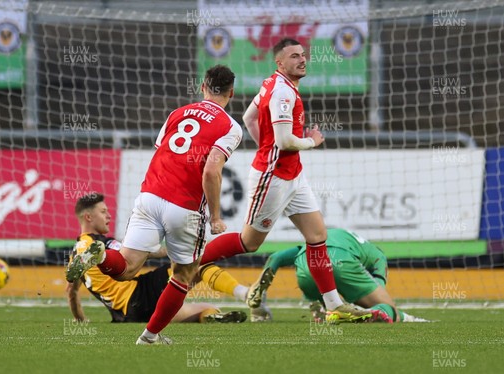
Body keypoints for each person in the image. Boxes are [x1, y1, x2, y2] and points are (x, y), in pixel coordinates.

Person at [196, 38, 372, 323]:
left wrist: (265, 145)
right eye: (293, 56)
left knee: (317, 237)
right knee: (249, 242)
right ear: (280, 62)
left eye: (303, 55)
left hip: (293, 176)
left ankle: (334, 305)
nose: (302, 60)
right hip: (273, 177)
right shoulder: (282, 93)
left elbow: (249, 116)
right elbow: (284, 140)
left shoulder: (273, 84)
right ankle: (193, 260)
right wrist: (311, 141)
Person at [66, 65, 243, 344]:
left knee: (125, 267)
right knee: (184, 274)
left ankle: (98, 255)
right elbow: (211, 171)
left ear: (202, 88)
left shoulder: (177, 113)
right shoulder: (230, 127)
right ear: (232, 92)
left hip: (149, 195)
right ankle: (149, 337)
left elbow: (162, 149)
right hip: (183, 206)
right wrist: (216, 216)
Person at [66, 193, 247, 324]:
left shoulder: (75, 255)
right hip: (140, 292)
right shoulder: (101, 243)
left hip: (129, 315)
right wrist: (178, 251)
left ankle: (208, 316)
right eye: (103, 211)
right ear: (88, 217)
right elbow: (135, 255)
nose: (109, 215)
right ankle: (244, 293)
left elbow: (71, 292)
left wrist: (80, 319)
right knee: (196, 265)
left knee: (199, 309)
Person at [247, 228, 430, 323]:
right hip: (341, 260)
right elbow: (378, 285)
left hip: (306, 264)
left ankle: (318, 304)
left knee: (319, 282)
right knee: (390, 309)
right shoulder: (377, 254)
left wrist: (260, 287)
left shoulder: (315, 239)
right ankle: (375, 314)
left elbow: (276, 257)